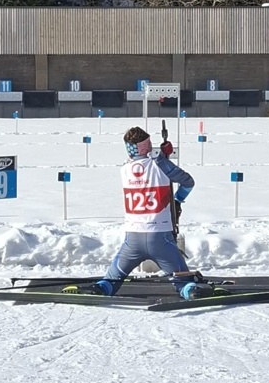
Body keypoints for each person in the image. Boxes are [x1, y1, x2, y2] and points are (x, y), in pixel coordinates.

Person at [63, 126, 219, 300]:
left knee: (111, 280)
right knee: (183, 281)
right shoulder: (160, 164)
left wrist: (161, 157)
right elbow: (188, 182)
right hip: (161, 239)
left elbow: (144, 170)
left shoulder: (125, 170)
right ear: (148, 145)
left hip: (132, 239)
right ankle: (190, 291)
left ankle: (102, 289)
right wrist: (177, 199)